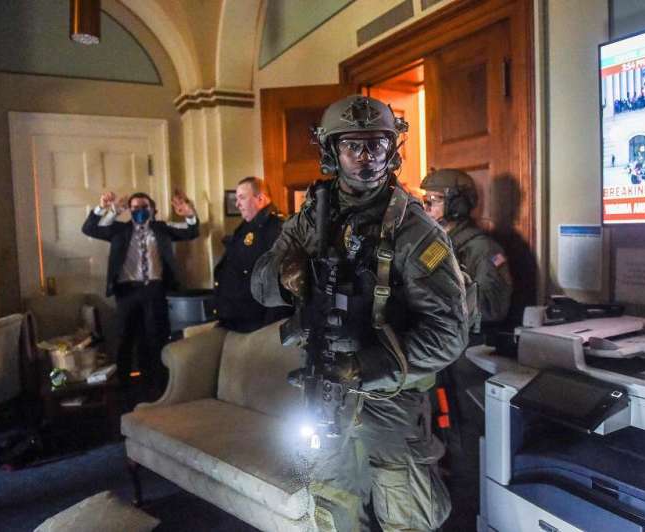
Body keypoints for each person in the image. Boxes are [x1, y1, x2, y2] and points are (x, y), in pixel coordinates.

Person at [251, 95, 468, 531]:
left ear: (393, 149)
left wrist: (365, 367)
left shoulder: (414, 231)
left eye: (377, 145)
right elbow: (258, 285)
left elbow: (448, 332)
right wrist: (285, 274)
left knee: (406, 517)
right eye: (353, 146)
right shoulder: (312, 217)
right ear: (333, 151)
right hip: (325, 397)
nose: (366, 158)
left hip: (390, 401)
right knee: (332, 508)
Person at [81, 190, 198, 396]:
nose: (140, 211)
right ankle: (124, 387)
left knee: (156, 338)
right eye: (135, 208)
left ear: (152, 209)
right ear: (129, 210)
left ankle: (159, 386)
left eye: (144, 207)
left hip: (155, 290)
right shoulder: (118, 230)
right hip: (127, 292)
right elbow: (89, 229)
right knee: (125, 338)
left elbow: (191, 231)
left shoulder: (162, 228)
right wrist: (107, 209)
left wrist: (188, 213)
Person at [421, 168, 512, 330]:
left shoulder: (484, 248)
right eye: (425, 199)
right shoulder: (435, 243)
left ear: (457, 204)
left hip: (468, 343)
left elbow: (493, 308)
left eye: (435, 199)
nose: (426, 207)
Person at [213, 176, 291, 332]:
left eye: (242, 198)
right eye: (236, 199)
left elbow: (278, 282)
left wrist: (269, 329)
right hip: (237, 320)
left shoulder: (276, 228)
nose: (237, 204)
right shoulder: (247, 227)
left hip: (256, 325)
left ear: (260, 198)